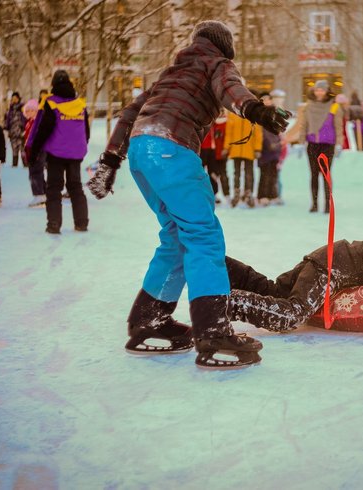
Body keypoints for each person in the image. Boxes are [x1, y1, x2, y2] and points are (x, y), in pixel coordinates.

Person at [86, 20, 290, 369]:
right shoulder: (217, 63)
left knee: (177, 237)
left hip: (141, 151)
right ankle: (213, 333)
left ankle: (148, 322)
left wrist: (109, 160)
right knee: (202, 236)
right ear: (225, 47)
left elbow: (130, 114)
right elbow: (231, 89)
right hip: (172, 149)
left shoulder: (172, 71)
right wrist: (258, 111)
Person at [226, 213, 363, 332]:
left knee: (274, 292)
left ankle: (224, 267)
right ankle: (229, 304)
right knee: (292, 315)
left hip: (326, 259)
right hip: (331, 268)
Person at [28, 70, 90, 234]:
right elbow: (86, 130)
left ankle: (54, 224)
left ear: (53, 84)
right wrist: (80, 146)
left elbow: (44, 128)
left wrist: (34, 150)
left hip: (56, 153)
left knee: (54, 188)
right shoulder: (79, 104)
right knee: (75, 187)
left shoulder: (51, 102)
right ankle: (81, 223)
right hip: (75, 154)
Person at [299, 79, 343, 213]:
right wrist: (301, 142)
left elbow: (339, 126)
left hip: (327, 145)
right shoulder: (308, 106)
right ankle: (314, 203)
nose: (319, 92)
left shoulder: (334, 106)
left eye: (322, 90)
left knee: (326, 175)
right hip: (312, 144)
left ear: (327, 91)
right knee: (313, 174)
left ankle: (327, 204)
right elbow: (303, 125)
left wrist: (339, 144)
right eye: (317, 90)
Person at [223, 107, 262, 208]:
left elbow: (258, 133)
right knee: (237, 174)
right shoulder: (233, 115)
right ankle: (236, 193)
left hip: (249, 150)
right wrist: (226, 147)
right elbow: (229, 134)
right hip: (236, 150)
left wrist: (257, 149)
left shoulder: (254, 116)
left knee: (249, 174)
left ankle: (248, 194)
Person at [257, 92, 283, 205]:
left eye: (268, 99)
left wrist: (278, 143)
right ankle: (262, 195)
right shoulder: (258, 114)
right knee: (264, 173)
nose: (266, 101)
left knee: (274, 173)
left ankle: (273, 195)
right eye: (263, 99)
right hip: (264, 148)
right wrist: (269, 144)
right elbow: (261, 132)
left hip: (276, 147)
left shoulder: (275, 113)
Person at [22, 99, 46, 207]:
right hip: (31, 150)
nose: (29, 112)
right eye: (27, 111)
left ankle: (39, 194)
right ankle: (42, 193)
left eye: (32, 110)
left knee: (36, 172)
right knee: (34, 172)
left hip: (38, 150)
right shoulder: (29, 123)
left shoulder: (38, 123)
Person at [4, 92, 27, 167]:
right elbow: (6, 120)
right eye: (13, 98)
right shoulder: (9, 110)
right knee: (14, 151)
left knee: (23, 150)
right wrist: (6, 126)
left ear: (18, 99)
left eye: (15, 98)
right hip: (13, 133)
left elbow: (26, 118)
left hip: (21, 133)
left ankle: (26, 165)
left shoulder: (23, 108)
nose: (14, 100)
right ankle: (14, 166)